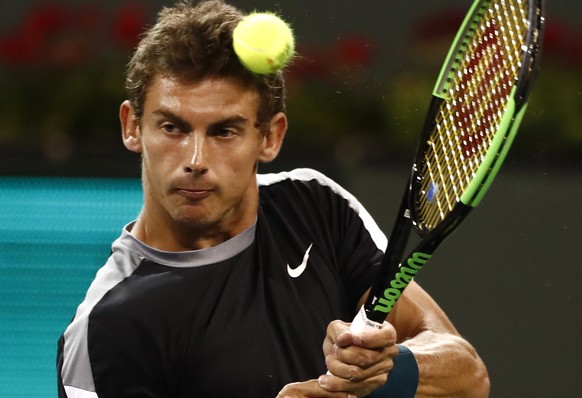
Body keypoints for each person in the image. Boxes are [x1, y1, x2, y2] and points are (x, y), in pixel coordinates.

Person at [57, 0, 490, 397]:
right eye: (173, 128)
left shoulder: (314, 206)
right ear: (132, 126)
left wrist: (380, 372)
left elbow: (468, 375)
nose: (195, 160)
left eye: (224, 131)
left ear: (270, 136)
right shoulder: (106, 328)